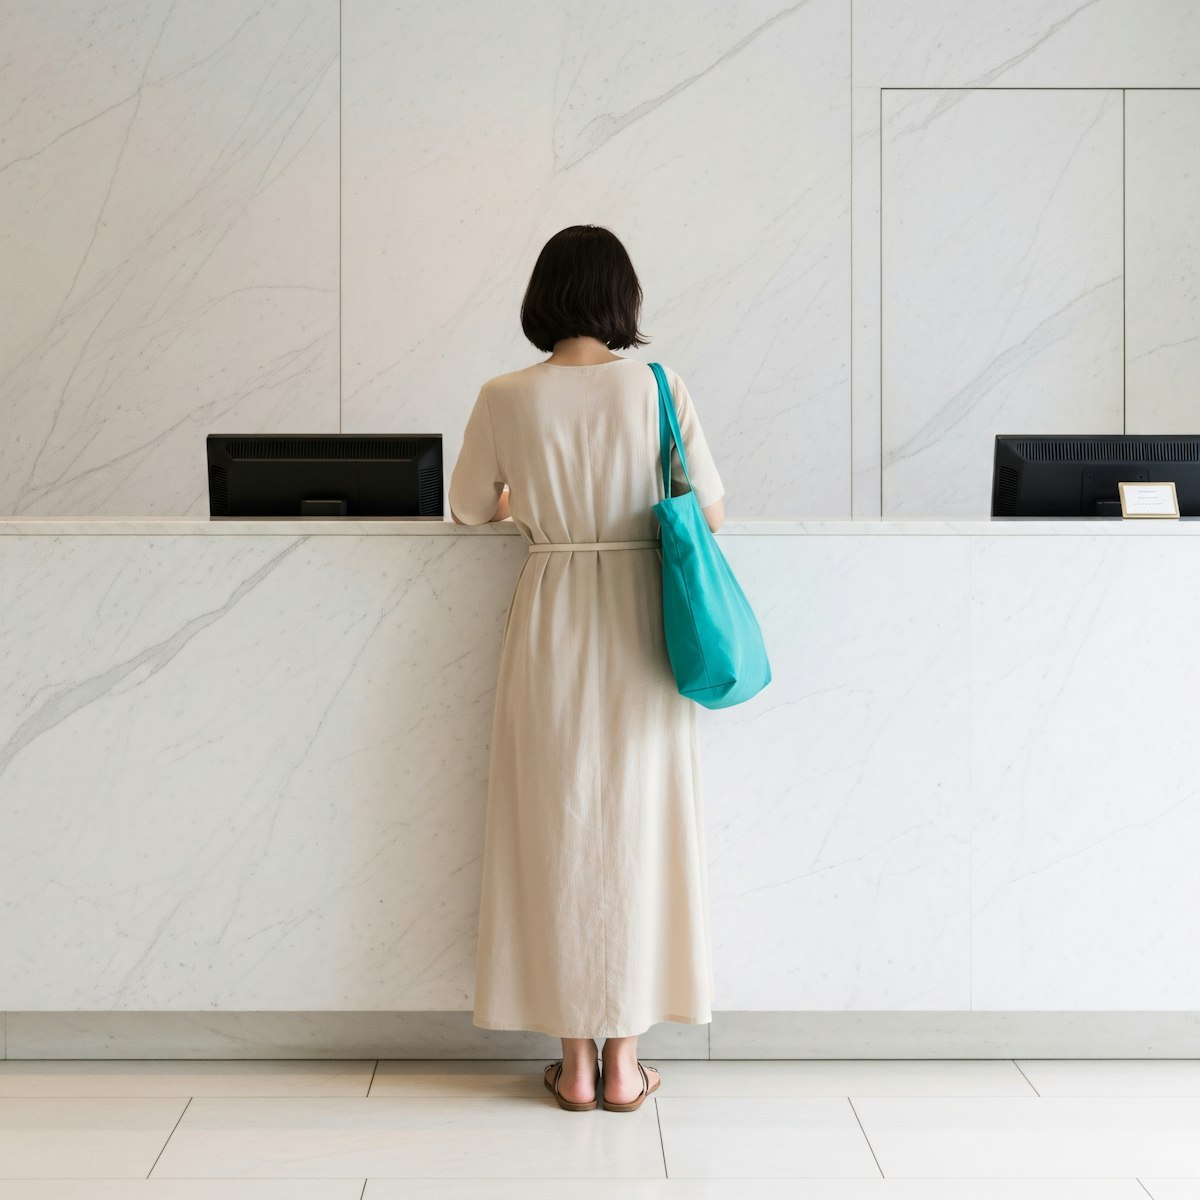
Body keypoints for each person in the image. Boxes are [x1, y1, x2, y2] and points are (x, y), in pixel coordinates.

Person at [448, 225, 725, 1113]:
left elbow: (468, 511)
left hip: (553, 609)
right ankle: (624, 1061)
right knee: (637, 829)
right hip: (642, 615)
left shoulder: (504, 394)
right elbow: (710, 513)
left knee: (557, 828)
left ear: (542, 297)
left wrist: (526, 490)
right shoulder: (657, 386)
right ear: (622, 299)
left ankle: (571, 1062)